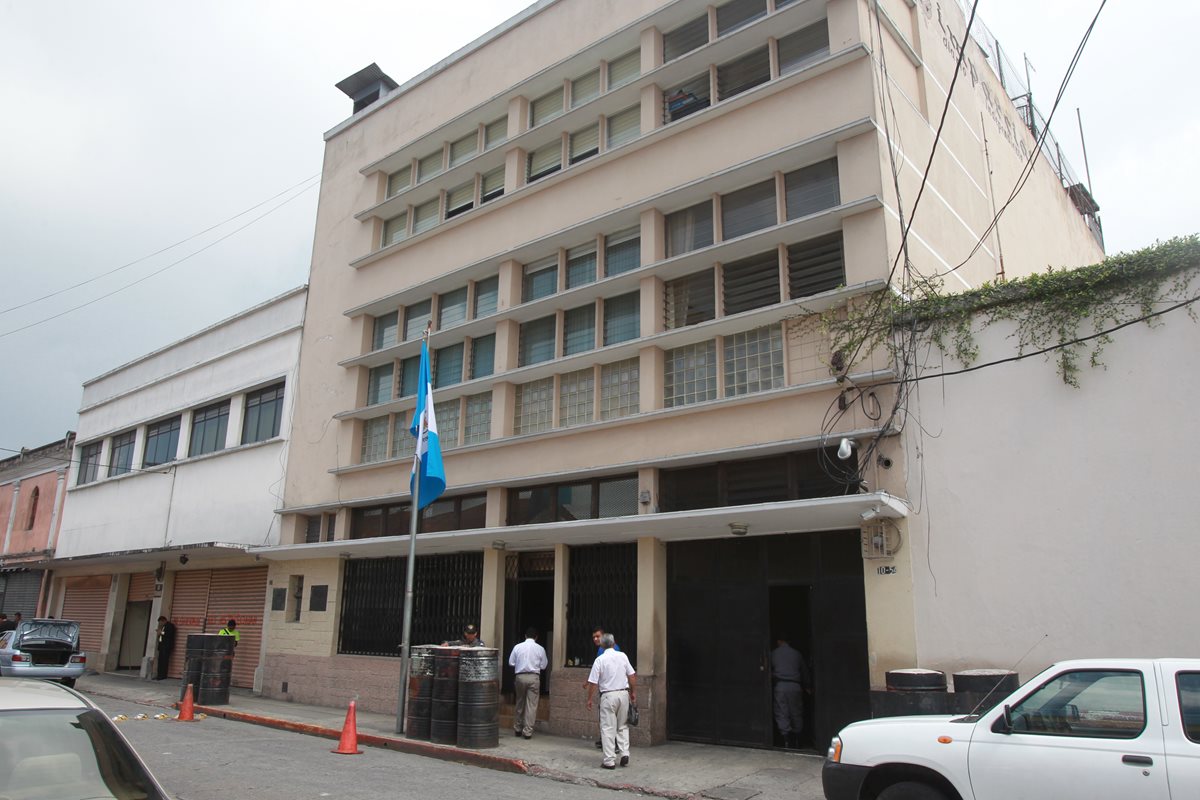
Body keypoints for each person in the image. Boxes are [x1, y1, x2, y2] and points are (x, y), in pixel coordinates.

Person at [586, 633, 637, 770]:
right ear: (614, 643)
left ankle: (609, 760)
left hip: (608, 695)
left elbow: (593, 682)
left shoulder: (600, 660)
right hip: (623, 693)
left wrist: (589, 698)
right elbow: (632, 676)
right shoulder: (623, 656)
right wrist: (633, 692)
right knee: (623, 725)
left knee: (608, 728)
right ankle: (625, 752)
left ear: (602, 645)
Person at [770, 635, 812, 749]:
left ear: (779, 641)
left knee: (781, 712)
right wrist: (808, 686)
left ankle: (786, 741)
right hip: (795, 686)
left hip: (780, 686)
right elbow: (804, 671)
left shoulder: (774, 653)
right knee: (796, 712)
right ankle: (798, 740)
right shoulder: (796, 654)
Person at [508, 627, 548, 740]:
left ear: (525, 636)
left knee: (520, 701)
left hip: (520, 677)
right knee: (532, 705)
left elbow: (511, 662)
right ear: (536, 637)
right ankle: (527, 731)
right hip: (534, 677)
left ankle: (517, 728)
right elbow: (544, 665)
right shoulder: (540, 649)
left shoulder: (517, 647)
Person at [588, 626, 620, 748]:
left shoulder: (603, 651)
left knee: (607, 719)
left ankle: (611, 745)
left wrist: (589, 690)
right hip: (617, 690)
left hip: (607, 691)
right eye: (594, 637)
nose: (596, 639)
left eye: (598, 636)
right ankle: (606, 741)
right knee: (613, 719)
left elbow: (598, 672)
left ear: (604, 637)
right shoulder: (615, 649)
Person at [155, 616, 177, 680]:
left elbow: (169, 634)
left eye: (160, 622)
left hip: (166, 646)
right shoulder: (163, 627)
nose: (160, 624)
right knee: (160, 661)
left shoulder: (170, 626)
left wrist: (160, 632)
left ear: (164, 620)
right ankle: (159, 674)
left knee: (164, 661)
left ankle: (163, 675)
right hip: (162, 646)